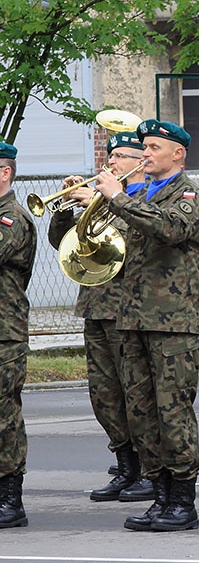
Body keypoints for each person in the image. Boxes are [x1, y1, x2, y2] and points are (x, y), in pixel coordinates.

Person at [94, 119, 199, 531]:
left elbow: (170, 229)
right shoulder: (141, 194)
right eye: (144, 147)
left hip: (172, 323)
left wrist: (118, 199)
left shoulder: (191, 195)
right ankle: (159, 495)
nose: (146, 153)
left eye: (154, 148)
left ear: (178, 154)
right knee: (141, 412)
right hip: (131, 319)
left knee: (172, 411)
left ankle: (182, 500)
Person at [47, 131, 154, 503]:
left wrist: (99, 198)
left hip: (128, 310)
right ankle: (125, 466)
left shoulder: (139, 200)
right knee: (104, 395)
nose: (111, 162)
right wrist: (64, 208)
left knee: (136, 394)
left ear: (140, 160)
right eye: (110, 155)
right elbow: (65, 243)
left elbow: (130, 240)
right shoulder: (106, 197)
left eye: (121, 156)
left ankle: (147, 470)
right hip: (95, 306)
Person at [0, 142, 36, 529]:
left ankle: (10, 498)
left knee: (3, 416)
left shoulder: (12, 219)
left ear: (4, 172)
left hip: (4, 333)